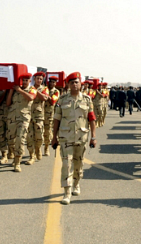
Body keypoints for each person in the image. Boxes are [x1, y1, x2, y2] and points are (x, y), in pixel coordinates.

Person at [52, 72, 97, 205]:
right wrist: (53, 137)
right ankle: (67, 191)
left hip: (81, 137)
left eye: (76, 82)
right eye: (72, 82)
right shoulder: (62, 100)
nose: (74, 84)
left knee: (78, 164)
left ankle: (76, 184)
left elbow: (92, 119)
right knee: (66, 164)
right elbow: (56, 119)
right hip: (65, 137)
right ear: (68, 84)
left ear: (81, 83)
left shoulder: (87, 100)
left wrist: (93, 137)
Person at [6, 73, 36, 172]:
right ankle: (14, 156)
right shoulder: (15, 90)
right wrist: (11, 90)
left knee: (20, 139)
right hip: (12, 117)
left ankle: (17, 162)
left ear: (29, 81)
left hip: (24, 118)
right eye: (23, 80)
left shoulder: (32, 89)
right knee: (10, 139)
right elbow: (8, 103)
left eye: (26, 80)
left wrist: (20, 90)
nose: (24, 82)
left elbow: (31, 98)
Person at [25, 72, 48, 165]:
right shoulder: (28, 88)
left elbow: (44, 98)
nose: (39, 80)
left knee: (39, 136)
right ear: (34, 79)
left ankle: (38, 148)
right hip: (28, 114)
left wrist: (35, 91)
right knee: (29, 137)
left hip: (39, 115)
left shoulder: (44, 88)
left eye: (41, 79)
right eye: (38, 78)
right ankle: (32, 156)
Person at [43, 76, 60, 156]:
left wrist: (46, 96)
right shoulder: (44, 88)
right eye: (51, 82)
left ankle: (46, 148)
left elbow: (52, 101)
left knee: (47, 131)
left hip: (49, 114)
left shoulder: (56, 91)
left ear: (55, 83)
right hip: (40, 113)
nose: (52, 83)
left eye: (54, 82)